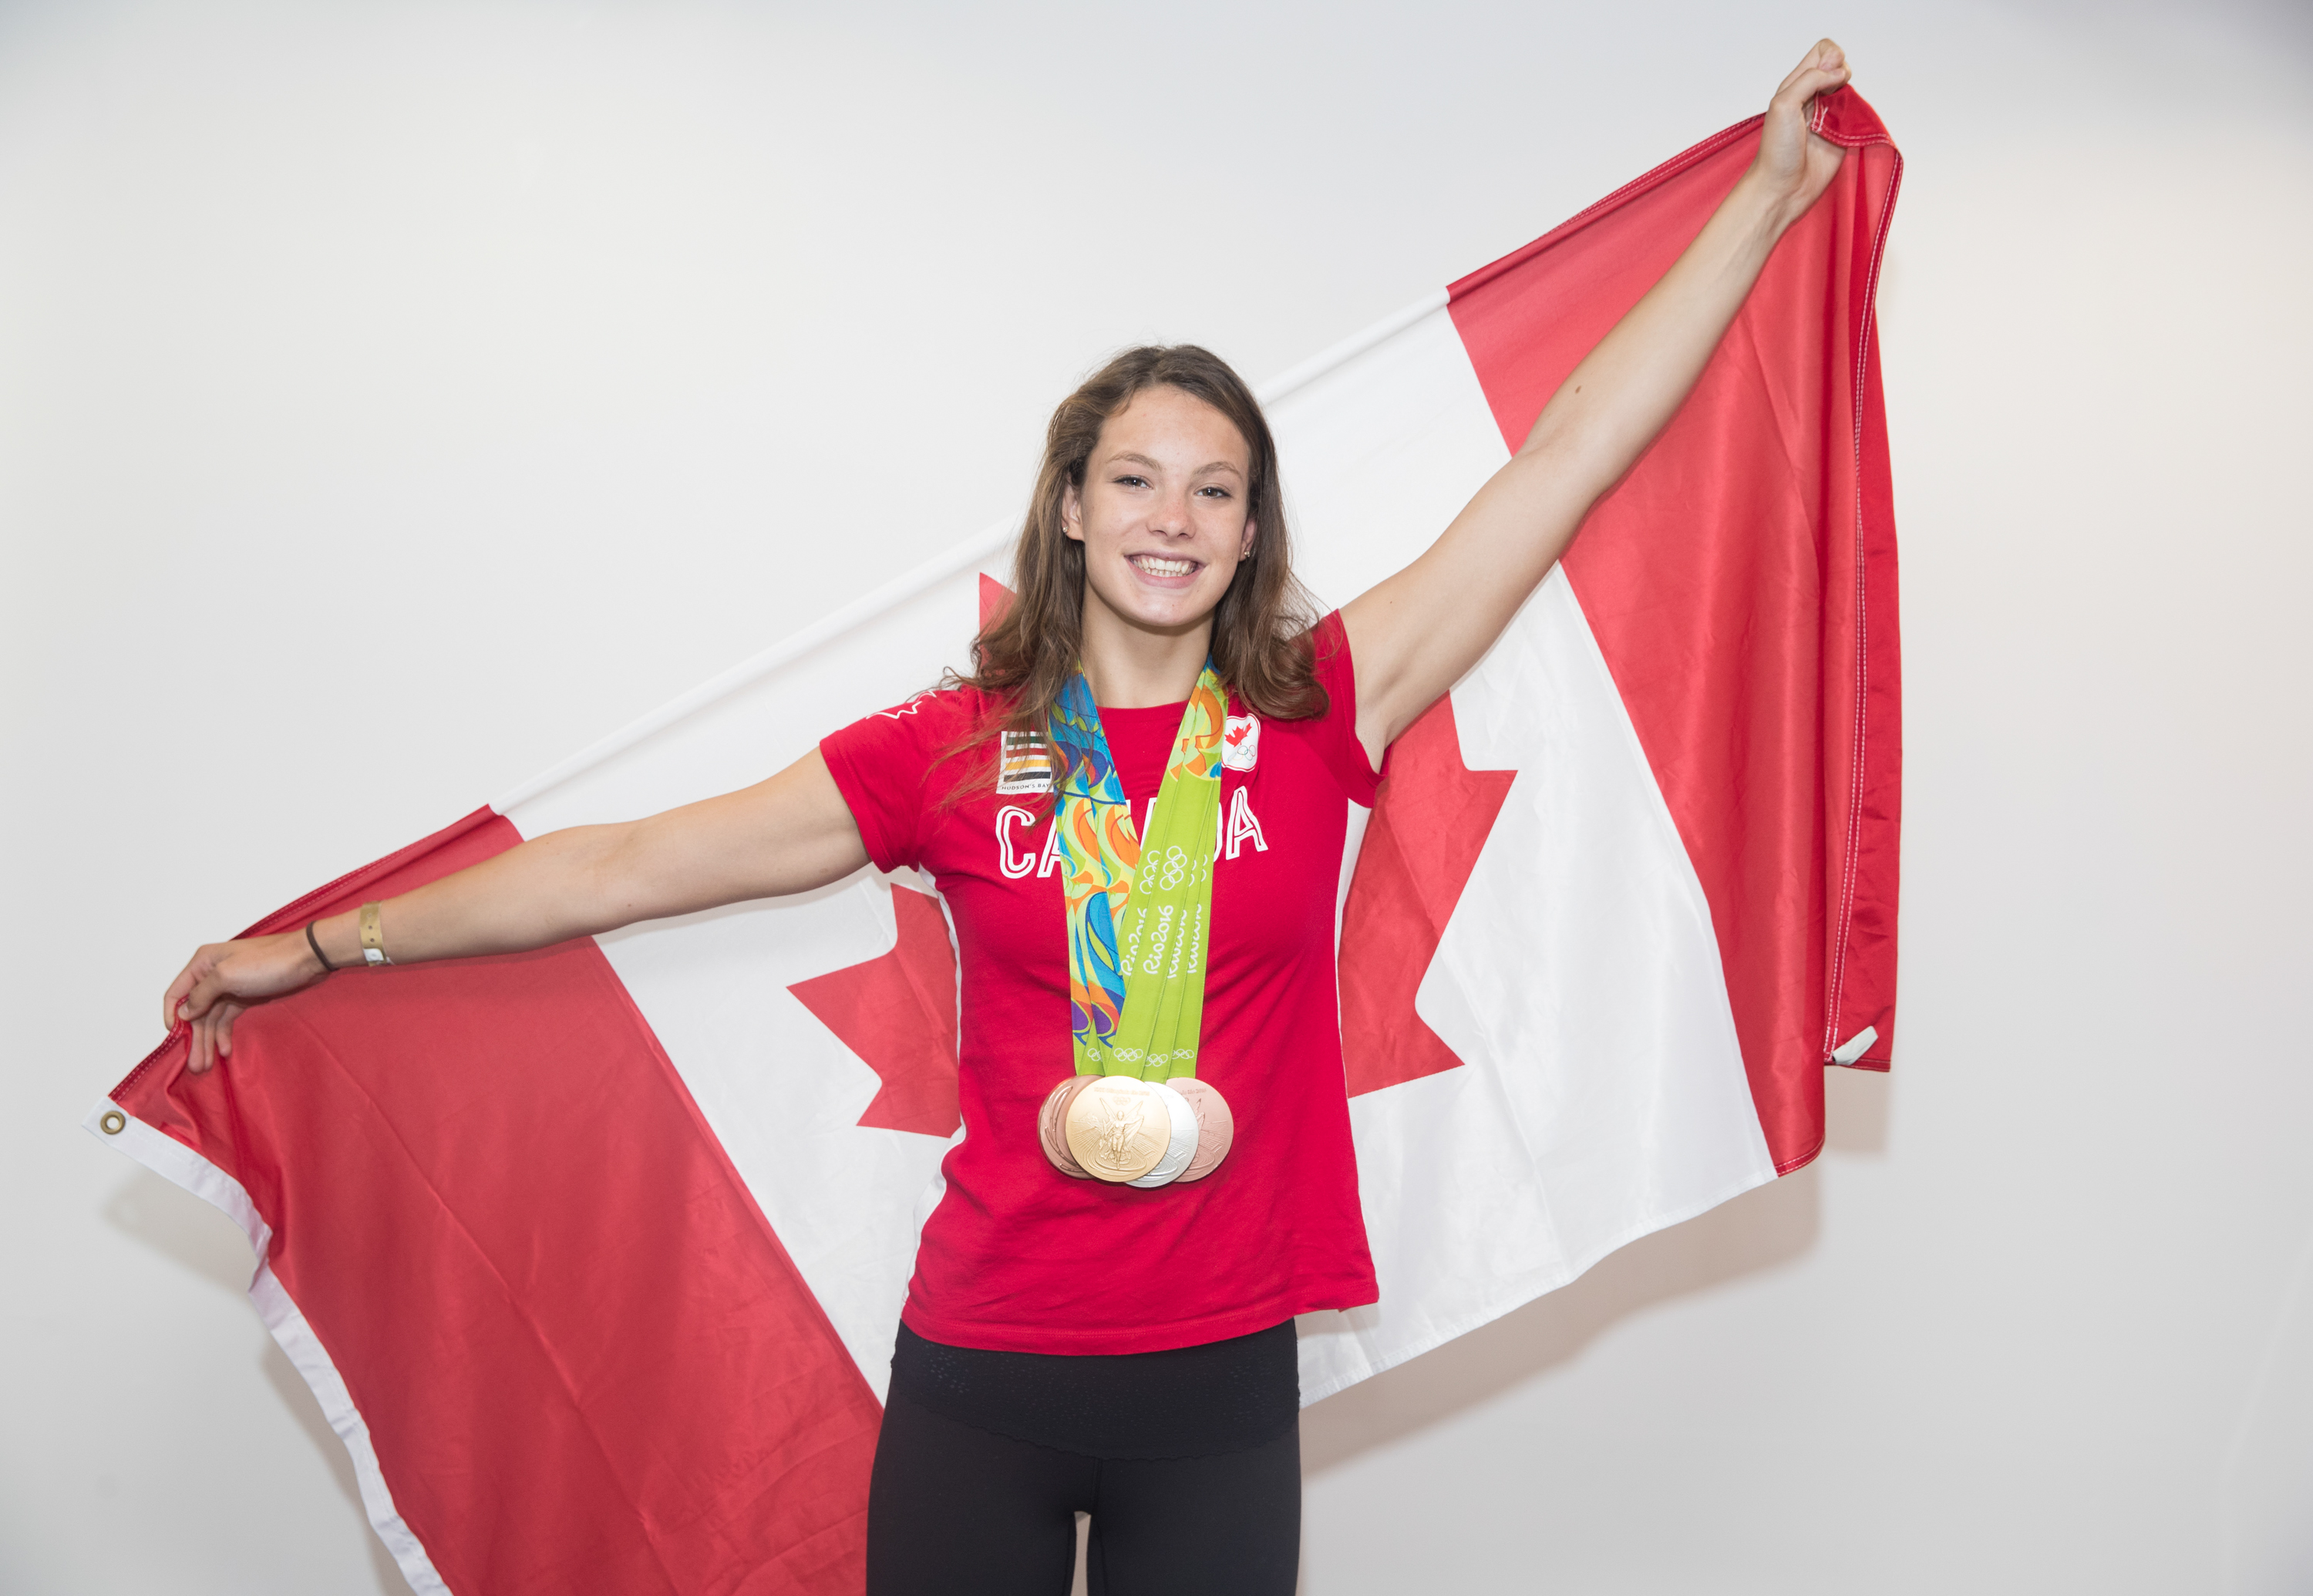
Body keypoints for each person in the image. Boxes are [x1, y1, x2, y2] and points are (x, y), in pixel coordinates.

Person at [163, 39, 1854, 1596]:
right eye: (1135, 478)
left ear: (1255, 531)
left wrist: (1766, 200)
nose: (1172, 520)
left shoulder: (1321, 707)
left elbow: (1559, 461)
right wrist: (317, 943)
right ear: (1069, 504)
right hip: (983, 1367)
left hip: (1217, 1385)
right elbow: (627, 866)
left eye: (1215, 490)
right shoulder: (947, 751)